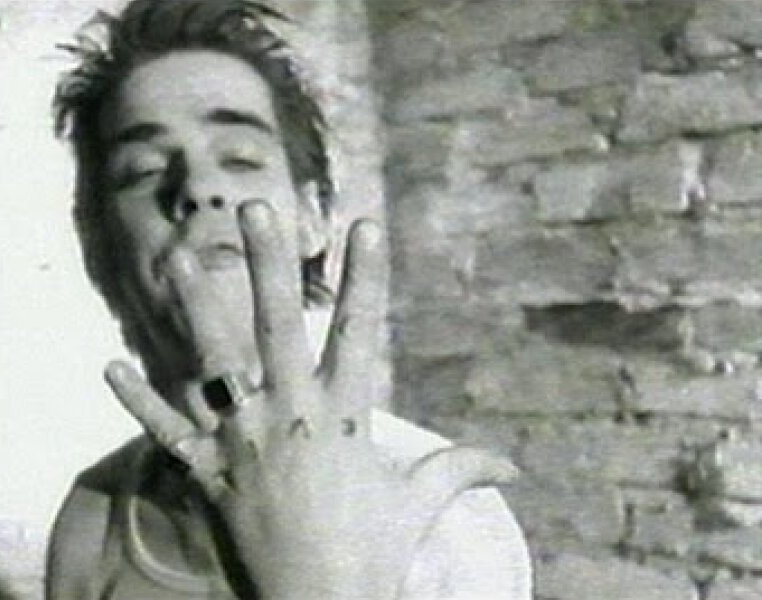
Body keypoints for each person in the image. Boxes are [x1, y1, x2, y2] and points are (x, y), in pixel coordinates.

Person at [47, 1, 533, 598]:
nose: (198, 187)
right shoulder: (94, 518)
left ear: (312, 218)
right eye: (142, 170)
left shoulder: (436, 512)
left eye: (240, 159)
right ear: (97, 242)